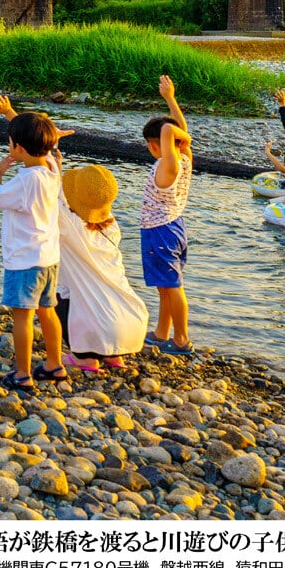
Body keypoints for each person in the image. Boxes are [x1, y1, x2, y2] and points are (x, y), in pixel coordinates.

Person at [0, 110, 67, 391]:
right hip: (49, 257)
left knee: (22, 317)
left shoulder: (23, 180)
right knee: (48, 311)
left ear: (18, 148)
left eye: (10, 143)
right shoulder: (52, 170)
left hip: (24, 260)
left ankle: (23, 373)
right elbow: (51, 148)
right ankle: (54, 365)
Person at [55, 165, 147, 373]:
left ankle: (84, 357)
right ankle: (112, 355)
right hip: (133, 324)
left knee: (57, 292)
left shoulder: (71, 228)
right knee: (95, 293)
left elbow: (54, 196)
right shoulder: (112, 227)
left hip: (103, 327)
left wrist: (53, 160)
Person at [139, 75, 195, 357]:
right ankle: (162, 332)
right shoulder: (184, 158)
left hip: (160, 230)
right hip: (173, 226)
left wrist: (175, 132)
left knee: (172, 286)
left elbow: (172, 133)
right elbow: (178, 132)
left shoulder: (168, 164)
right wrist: (170, 99)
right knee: (165, 285)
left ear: (155, 144)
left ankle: (182, 339)